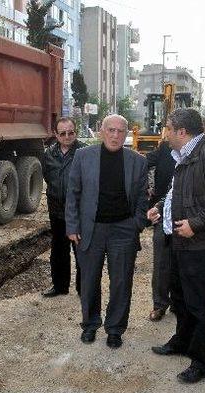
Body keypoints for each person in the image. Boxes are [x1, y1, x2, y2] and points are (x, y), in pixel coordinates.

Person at [148, 108, 205, 384]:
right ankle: (182, 342)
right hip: (180, 240)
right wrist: (161, 208)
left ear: (181, 132)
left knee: (200, 303)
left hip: (202, 244)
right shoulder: (183, 156)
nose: (165, 133)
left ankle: (202, 362)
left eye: (168, 128)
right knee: (181, 297)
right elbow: (180, 194)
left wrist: (195, 224)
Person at [65, 114, 148, 349]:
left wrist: (136, 224)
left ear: (126, 134)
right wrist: (72, 226)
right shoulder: (83, 156)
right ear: (102, 132)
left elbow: (143, 198)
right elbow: (73, 193)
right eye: (110, 130)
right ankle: (90, 325)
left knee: (121, 282)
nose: (115, 135)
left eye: (120, 131)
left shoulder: (137, 161)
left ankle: (115, 329)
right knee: (89, 280)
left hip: (124, 230)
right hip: (90, 230)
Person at [41, 118, 87, 297]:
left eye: (71, 132)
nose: (67, 136)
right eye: (62, 133)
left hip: (79, 212)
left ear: (76, 132)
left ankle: (83, 289)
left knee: (81, 250)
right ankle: (60, 286)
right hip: (57, 210)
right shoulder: (49, 154)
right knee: (58, 250)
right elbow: (47, 177)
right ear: (55, 134)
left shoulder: (84, 152)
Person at [145, 140, 176, 321]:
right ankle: (160, 304)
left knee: (184, 263)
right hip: (162, 211)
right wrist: (145, 186)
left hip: (190, 218)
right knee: (161, 262)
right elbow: (143, 163)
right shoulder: (166, 147)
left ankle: (180, 303)